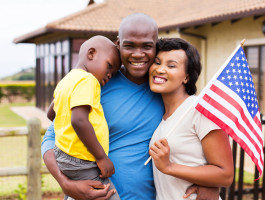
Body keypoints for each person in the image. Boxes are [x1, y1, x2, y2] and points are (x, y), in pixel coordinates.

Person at [42, 13, 220, 200]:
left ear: (155, 46)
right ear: (118, 44)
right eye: (129, 45)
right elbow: (52, 136)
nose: (137, 54)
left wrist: (209, 184)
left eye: (146, 46)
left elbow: (195, 147)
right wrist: (65, 183)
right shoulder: (96, 82)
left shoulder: (165, 90)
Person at [148, 38, 234, 200]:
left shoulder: (200, 110)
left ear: (187, 77)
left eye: (171, 65)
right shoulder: (161, 115)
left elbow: (225, 174)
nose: (160, 69)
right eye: (157, 62)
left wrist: (169, 167)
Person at [47, 35, 121, 200]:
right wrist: (102, 157)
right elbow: (79, 120)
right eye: (109, 66)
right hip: (81, 159)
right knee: (109, 195)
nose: (109, 75)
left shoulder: (66, 81)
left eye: (113, 72)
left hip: (62, 154)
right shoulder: (88, 80)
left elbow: (51, 113)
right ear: (91, 54)